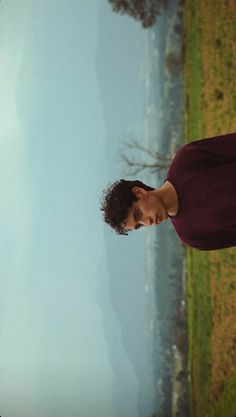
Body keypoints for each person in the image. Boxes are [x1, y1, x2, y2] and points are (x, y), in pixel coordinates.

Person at [101, 132, 236, 251]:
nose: (147, 222)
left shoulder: (187, 160)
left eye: (138, 214)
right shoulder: (190, 236)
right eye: (139, 225)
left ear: (139, 192)